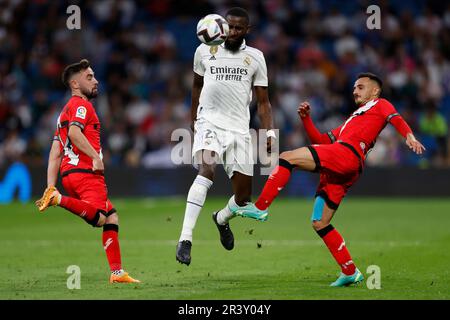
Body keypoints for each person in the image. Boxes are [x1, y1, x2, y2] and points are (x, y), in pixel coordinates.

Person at [233, 72, 426, 286]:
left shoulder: (380, 104)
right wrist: (306, 120)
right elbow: (322, 140)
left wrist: (409, 136)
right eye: (354, 87)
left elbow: (396, 119)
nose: (355, 91)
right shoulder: (352, 120)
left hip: (346, 156)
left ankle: (260, 207)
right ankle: (350, 271)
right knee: (320, 222)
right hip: (346, 166)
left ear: (375, 91)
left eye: (360, 87)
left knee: (286, 158)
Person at [176, 7, 275, 265]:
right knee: (206, 170)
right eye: (229, 26)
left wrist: (269, 132)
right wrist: (192, 119)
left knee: (243, 198)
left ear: (247, 30)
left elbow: (263, 102)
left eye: (239, 28)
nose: (232, 32)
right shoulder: (204, 50)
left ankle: (221, 219)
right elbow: (196, 86)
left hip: (239, 130)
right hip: (209, 122)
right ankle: (185, 239)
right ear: (222, 25)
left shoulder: (255, 57)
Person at [35, 59, 140, 284]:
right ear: (75, 83)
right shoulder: (82, 105)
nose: (96, 81)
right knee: (101, 218)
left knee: (112, 216)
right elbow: (74, 133)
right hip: (86, 172)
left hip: (69, 174)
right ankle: (59, 200)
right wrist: (95, 157)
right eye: (89, 77)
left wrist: (50, 185)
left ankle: (117, 272)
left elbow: (55, 151)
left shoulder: (63, 112)